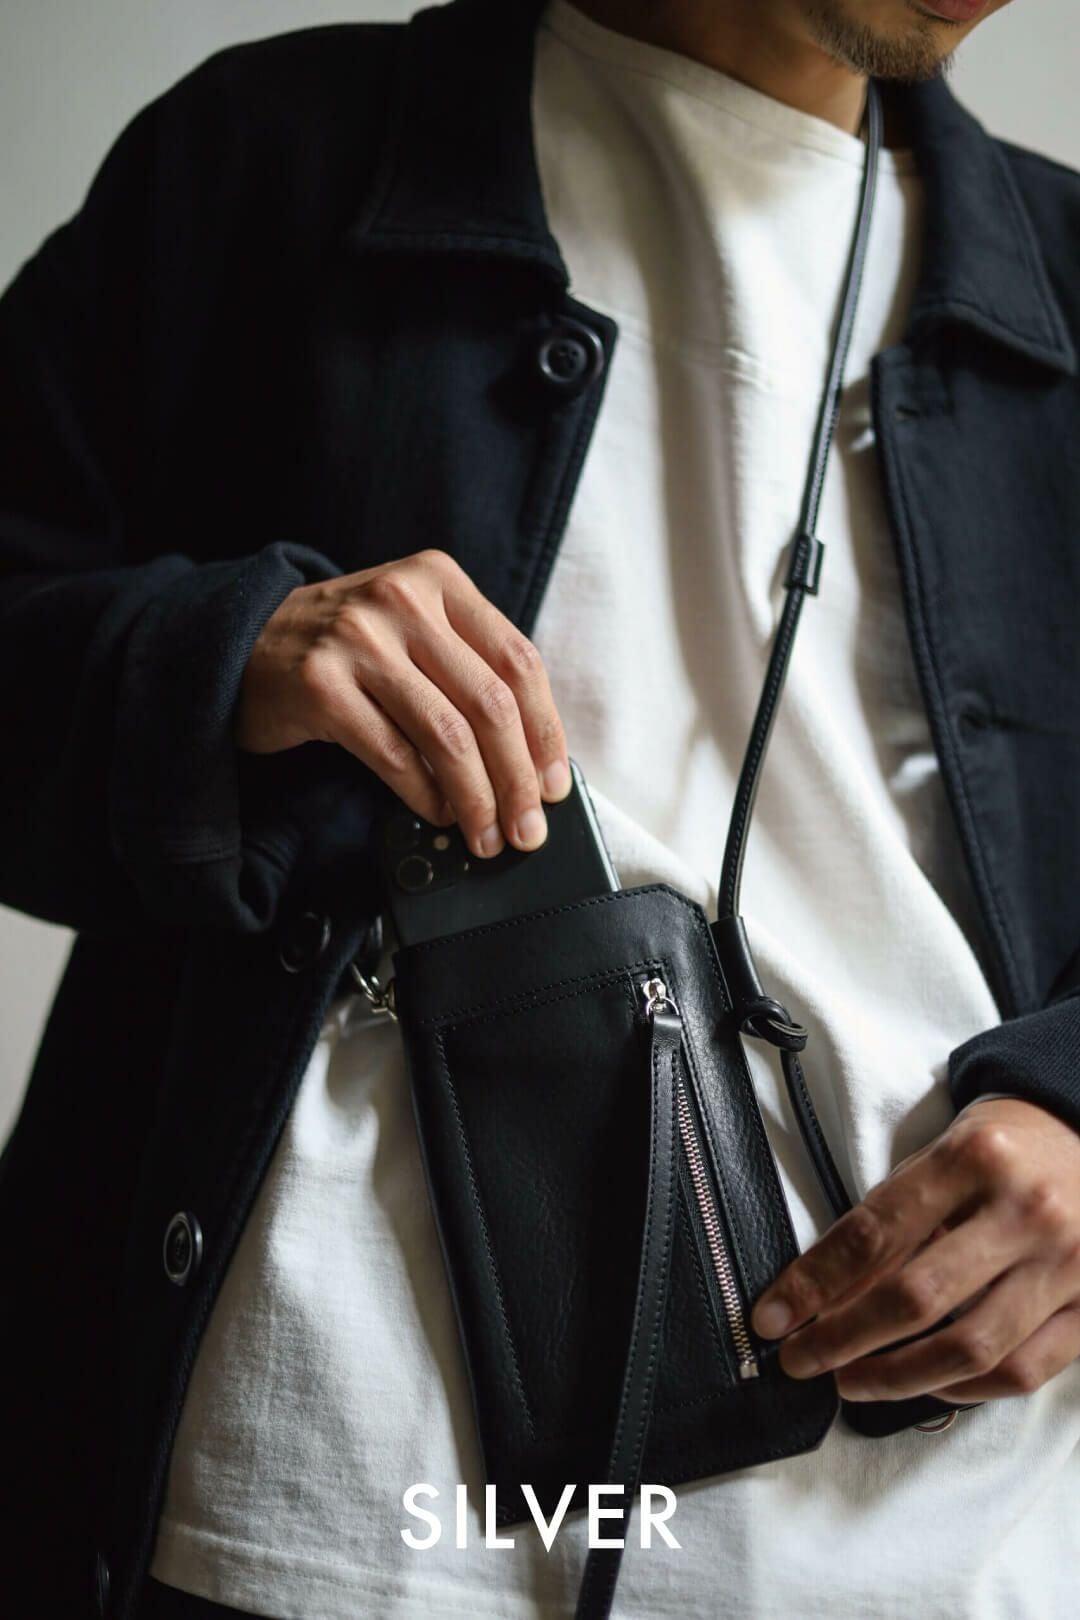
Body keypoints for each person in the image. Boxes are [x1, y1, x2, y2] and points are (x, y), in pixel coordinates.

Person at [2, 0, 1080, 1615]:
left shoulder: (1065, 273)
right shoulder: (266, 155)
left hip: (944, 1537)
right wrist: (228, 655)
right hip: (320, 1514)